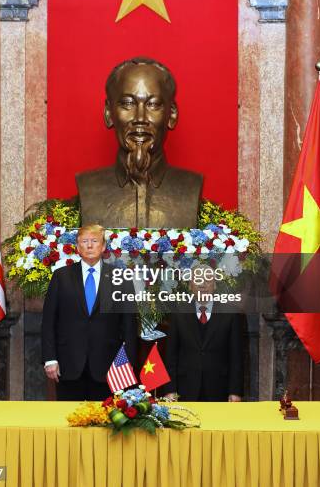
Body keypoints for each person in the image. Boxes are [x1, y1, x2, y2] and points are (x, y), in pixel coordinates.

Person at [76, 57, 203, 229]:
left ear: (172, 115)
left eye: (153, 104)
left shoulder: (190, 186)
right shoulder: (88, 187)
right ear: (108, 113)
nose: (140, 118)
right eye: (128, 103)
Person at [41, 224, 138, 401]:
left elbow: (129, 325)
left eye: (94, 241)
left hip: (109, 367)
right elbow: (48, 322)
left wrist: (128, 362)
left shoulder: (120, 278)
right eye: (84, 241)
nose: (90, 245)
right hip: (68, 364)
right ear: (78, 248)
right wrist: (50, 359)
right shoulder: (61, 277)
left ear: (103, 247)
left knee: (104, 424)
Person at [164, 272, 244, 402]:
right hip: (185, 389)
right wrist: (170, 389)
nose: (202, 285)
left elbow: (236, 356)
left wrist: (235, 391)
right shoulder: (178, 314)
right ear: (190, 285)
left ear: (215, 285)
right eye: (198, 281)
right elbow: (171, 356)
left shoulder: (230, 313)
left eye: (207, 280)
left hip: (219, 389)